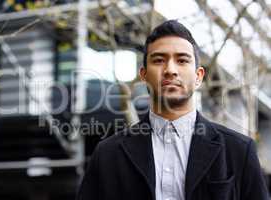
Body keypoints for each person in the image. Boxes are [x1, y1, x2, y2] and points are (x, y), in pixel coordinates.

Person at [76, 20, 269, 200]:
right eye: (159, 60)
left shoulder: (239, 151)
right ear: (143, 75)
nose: (170, 70)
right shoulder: (107, 154)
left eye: (182, 60)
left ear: (199, 76)